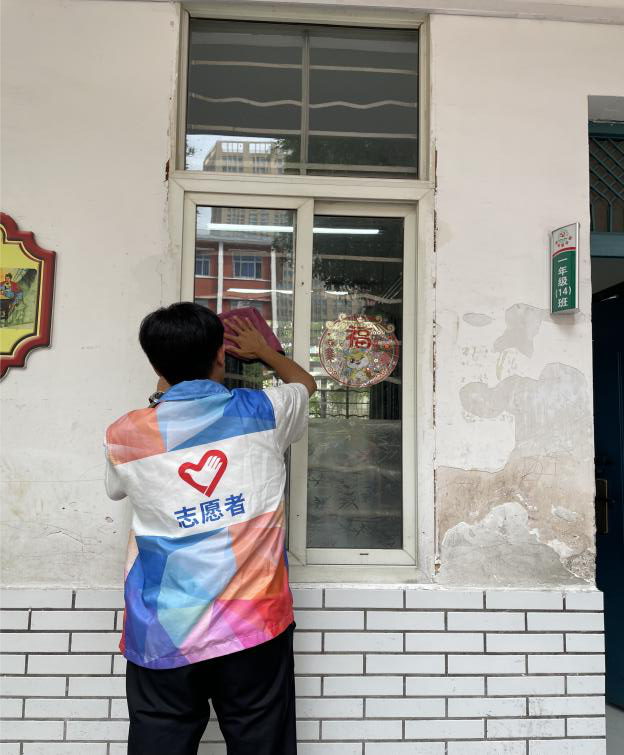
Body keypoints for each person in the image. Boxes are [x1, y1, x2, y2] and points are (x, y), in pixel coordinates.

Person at [104, 302, 316, 755]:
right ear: (221, 354)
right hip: (253, 624)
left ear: (155, 366)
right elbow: (304, 385)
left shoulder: (125, 435)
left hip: (164, 629)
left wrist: (163, 394)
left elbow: (116, 489)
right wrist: (265, 352)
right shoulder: (263, 411)